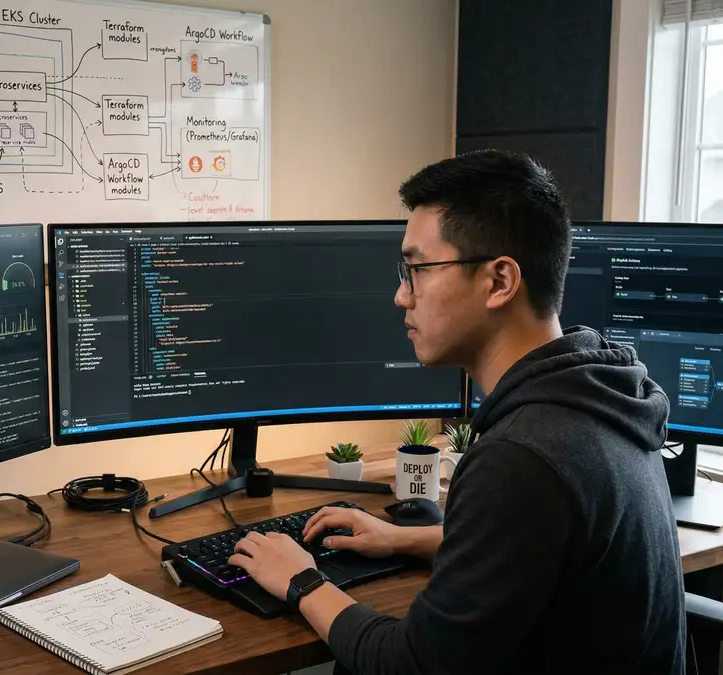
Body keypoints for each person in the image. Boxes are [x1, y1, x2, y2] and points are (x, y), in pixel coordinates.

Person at [227, 150, 686, 674]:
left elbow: (410, 666)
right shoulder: (599, 397)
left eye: (417, 270)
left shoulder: (522, 458)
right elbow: (538, 547)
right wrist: (404, 538)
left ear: (499, 282)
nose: (402, 296)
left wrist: (303, 581)